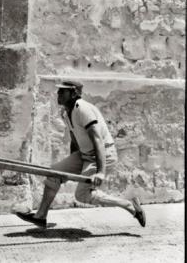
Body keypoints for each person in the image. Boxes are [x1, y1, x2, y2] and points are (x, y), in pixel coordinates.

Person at [16, 80, 146, 228]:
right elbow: (74, 138)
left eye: (62, 91)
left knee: (82, 195)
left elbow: (97, 140)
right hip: (84, 155)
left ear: (74, 93)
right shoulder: (66, 112)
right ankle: (40, 216)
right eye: (59, 91)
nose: (58, 94)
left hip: (102, 155)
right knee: (53, 173)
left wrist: (100, 172)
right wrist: (72, 165)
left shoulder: (82, 109)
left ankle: (129, 206)